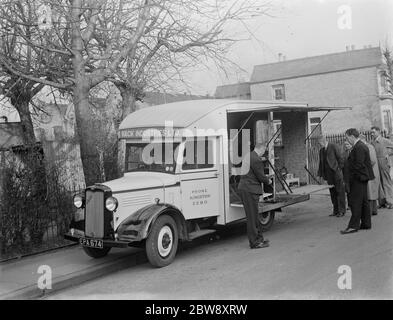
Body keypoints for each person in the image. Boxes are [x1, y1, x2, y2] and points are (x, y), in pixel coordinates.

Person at [238, 142, 273, 249]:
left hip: (245, 188)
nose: (264, 153)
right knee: (252, 217)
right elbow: (261, 176)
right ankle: (254, 242)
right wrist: (268, 181)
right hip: (250, 190)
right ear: (261, 149)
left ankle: (259, 239)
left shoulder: (248, 155)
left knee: (254, 216)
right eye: (264, 151)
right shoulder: (256, 159)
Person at [341, 128, 374, 234]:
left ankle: (353, 226)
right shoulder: (360, 145)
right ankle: (366, 223)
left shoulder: (358, 147)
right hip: (362, 178)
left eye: (347, 137)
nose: (347, 140)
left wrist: (352, 175)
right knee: (364, 202)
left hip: (358, 179)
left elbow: (359, 164)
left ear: (352, 136)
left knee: (356, 202)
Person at [317, 135, 346, 217]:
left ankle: (342, 210)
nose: (319, 145)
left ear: (323, 141)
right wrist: (320, 174)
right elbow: (321, 163)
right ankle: (335, 210)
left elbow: (340, 158)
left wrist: (339, 169)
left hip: (336, 173)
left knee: (340, 192)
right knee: (332, 193)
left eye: (319, 143)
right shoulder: (321, 151)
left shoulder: (333, 146)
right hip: (328, 175)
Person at [370, 126, 393, 209]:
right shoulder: (372, 142)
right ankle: (382, 202)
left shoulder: (385, 140)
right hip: (376, 164)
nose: (372, 134)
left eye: (374, 132)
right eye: (371, 132)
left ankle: (390, 202)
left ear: (379, 131)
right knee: (378, 182)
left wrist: (388, 154)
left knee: (386, 182)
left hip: (384, 162)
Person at [360, 134, 380, 216]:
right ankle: (373, 210)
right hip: (370, 172)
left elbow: (372, 160)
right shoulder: (368, 146)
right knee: (371, 192)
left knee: (370, 192)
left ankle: (371, 211)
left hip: (370, 172)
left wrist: (363, 167)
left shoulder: (369, 147)